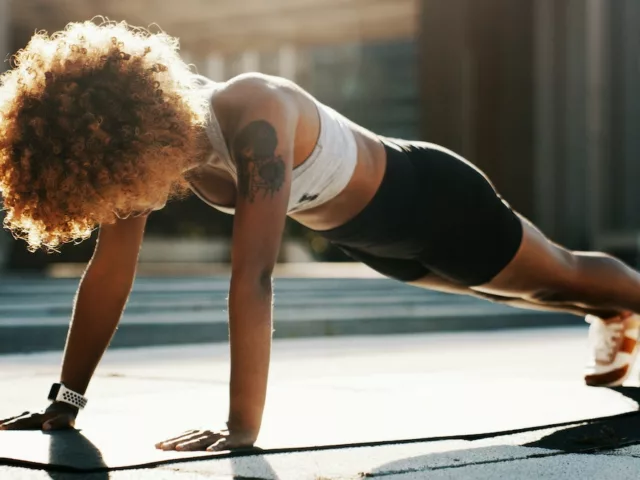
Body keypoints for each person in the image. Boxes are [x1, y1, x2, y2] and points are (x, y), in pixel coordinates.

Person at [0, 19, 639, 452]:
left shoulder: (255, 111)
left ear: (132, 126)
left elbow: (253, 277)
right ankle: (611, 311)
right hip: (370, 239)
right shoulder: (146, 158)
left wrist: (241, 429)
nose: (119, 202)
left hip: (434, 202)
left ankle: (618, 300)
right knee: (514, 294)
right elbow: (110, 273)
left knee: (559, 272)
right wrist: (67, 399)